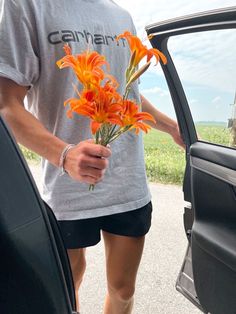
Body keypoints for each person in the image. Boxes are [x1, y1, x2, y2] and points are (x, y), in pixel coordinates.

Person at [0, 0, 184, 313]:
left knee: (123, 290)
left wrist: (172, 128)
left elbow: (130, 97)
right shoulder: (25, 5)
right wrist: (65, 154)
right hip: (65, 189)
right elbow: (6, 104)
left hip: (128, 185)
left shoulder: (120, 14)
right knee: (65, 288)